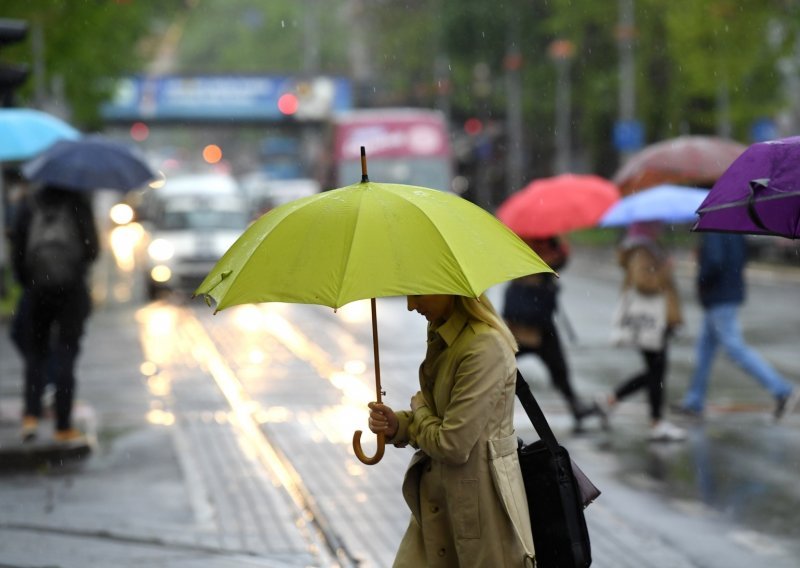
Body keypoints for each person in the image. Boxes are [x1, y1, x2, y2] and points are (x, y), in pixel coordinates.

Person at [367, 293, 535, 567]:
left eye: (418, 294)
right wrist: (399, 425)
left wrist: (419, 411)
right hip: (438, 503)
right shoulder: (443, 334)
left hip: (481, 511)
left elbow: (452, 444)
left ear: (446, 288)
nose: (411, 305)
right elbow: (441, 417)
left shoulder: (484, 346)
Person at [673, 232, 799, 421]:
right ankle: (694, 400)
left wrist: (701, 279)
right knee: (704, 351)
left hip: (719, 296)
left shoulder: (714, 226)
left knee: (735, 349)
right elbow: (740, 257)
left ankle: (784, 391)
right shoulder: (733, 225)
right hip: (726, 293)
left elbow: (715, 261)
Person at [10, 184, 99, 443]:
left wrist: (29, 281)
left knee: (36, 353)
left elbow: (18, 250)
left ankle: (30, 417)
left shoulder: (31, 203)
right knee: (66, 353)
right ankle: (62, 425)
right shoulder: (77, 203)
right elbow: (93, 249)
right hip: (71, 291)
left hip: (38, 291)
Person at [502, 236, 605, 432]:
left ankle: (574, 405)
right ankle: (482, 408)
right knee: (499, 367)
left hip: (542, 321)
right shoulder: (519, 240)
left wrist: (556, 247)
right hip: (521, 320)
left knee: (558, 367)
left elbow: (562, 261)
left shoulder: (549, 239)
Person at [602, 222, 686, 442]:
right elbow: (643, 282)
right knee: (655, 373)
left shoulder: (648, 247)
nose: (659, 227)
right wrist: (665, 270)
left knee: (654, 372)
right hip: (651, 321)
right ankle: (655, 422)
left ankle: (613, 400)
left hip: (657, 321)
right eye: (654, 225)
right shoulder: (641, 250)